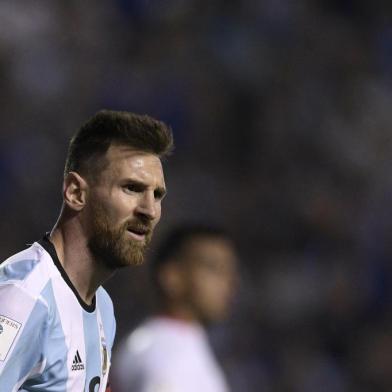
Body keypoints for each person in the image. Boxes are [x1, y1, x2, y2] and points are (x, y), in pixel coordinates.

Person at [0, 110, 173, 391]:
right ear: (76, 193)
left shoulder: (103, 308)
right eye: (131, 188)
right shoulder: (23, 298)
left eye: (157, 195)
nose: (149, 210)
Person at [111, 225, 238, 392]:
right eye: (213, 268)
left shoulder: (174, 341)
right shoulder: (167, 356)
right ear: (172, 276)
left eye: (229, 271)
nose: (228, 282)